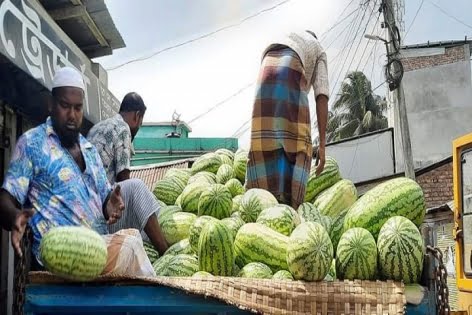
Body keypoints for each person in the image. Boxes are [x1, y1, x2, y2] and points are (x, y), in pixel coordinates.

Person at [0, 67, 166, 276]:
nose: (72, 115)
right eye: (65, 106)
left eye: (78, 108)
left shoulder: (89, 150)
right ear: (51, 105)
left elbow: (105, 200)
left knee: (134, 237)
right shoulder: (32, 144)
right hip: (61, 256)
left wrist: (110, 204)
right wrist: (15, 217)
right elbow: (6, 198)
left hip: (96, 250)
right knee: (131, 247)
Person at [246, 29, 329, 209]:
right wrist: (322, 144)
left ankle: (260, 204)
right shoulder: (318, 49)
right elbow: (321, 93)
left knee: (266, 142)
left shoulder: (289, 35)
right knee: (298, 144)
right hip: (292, 66)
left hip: (266, 66)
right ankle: (293, 208)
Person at [87, 92, 146, 184]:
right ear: (137, 115)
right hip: (102, 194)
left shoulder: (96, 127)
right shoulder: (123, 128)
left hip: (85, 190)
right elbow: (123, 179)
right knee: (137, 185)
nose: (138, 127)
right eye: (140, 123)